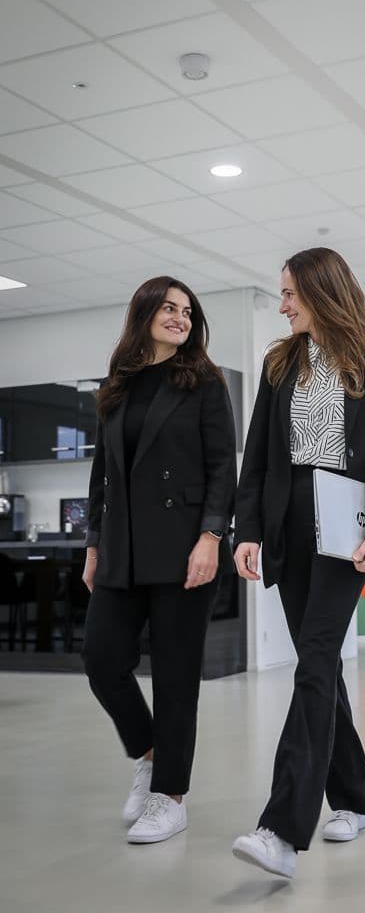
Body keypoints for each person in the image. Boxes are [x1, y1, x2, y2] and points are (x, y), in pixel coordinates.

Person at [231, 247, 365, 878]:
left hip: (345, 534)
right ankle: (355, 802)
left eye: (289, 295)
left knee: (311, 664)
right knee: (321, 668)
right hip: (288, 530)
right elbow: (256, 458)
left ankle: (281, 828)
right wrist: (245, 530)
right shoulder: (280, 363)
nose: (282, 306)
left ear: (321, 291)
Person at [81, 276, 236, 845]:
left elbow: (223, 466)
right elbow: (101, 474)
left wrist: (211, 537)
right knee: (101, 660)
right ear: (143, 312)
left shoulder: (203, 383)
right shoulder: (116, 386)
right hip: (121, 548)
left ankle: (170, 798)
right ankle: (149, 753)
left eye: (188, 311)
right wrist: (94, 543)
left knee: (175, 680)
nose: (180, 318)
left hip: (182, 548)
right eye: (169, 308)